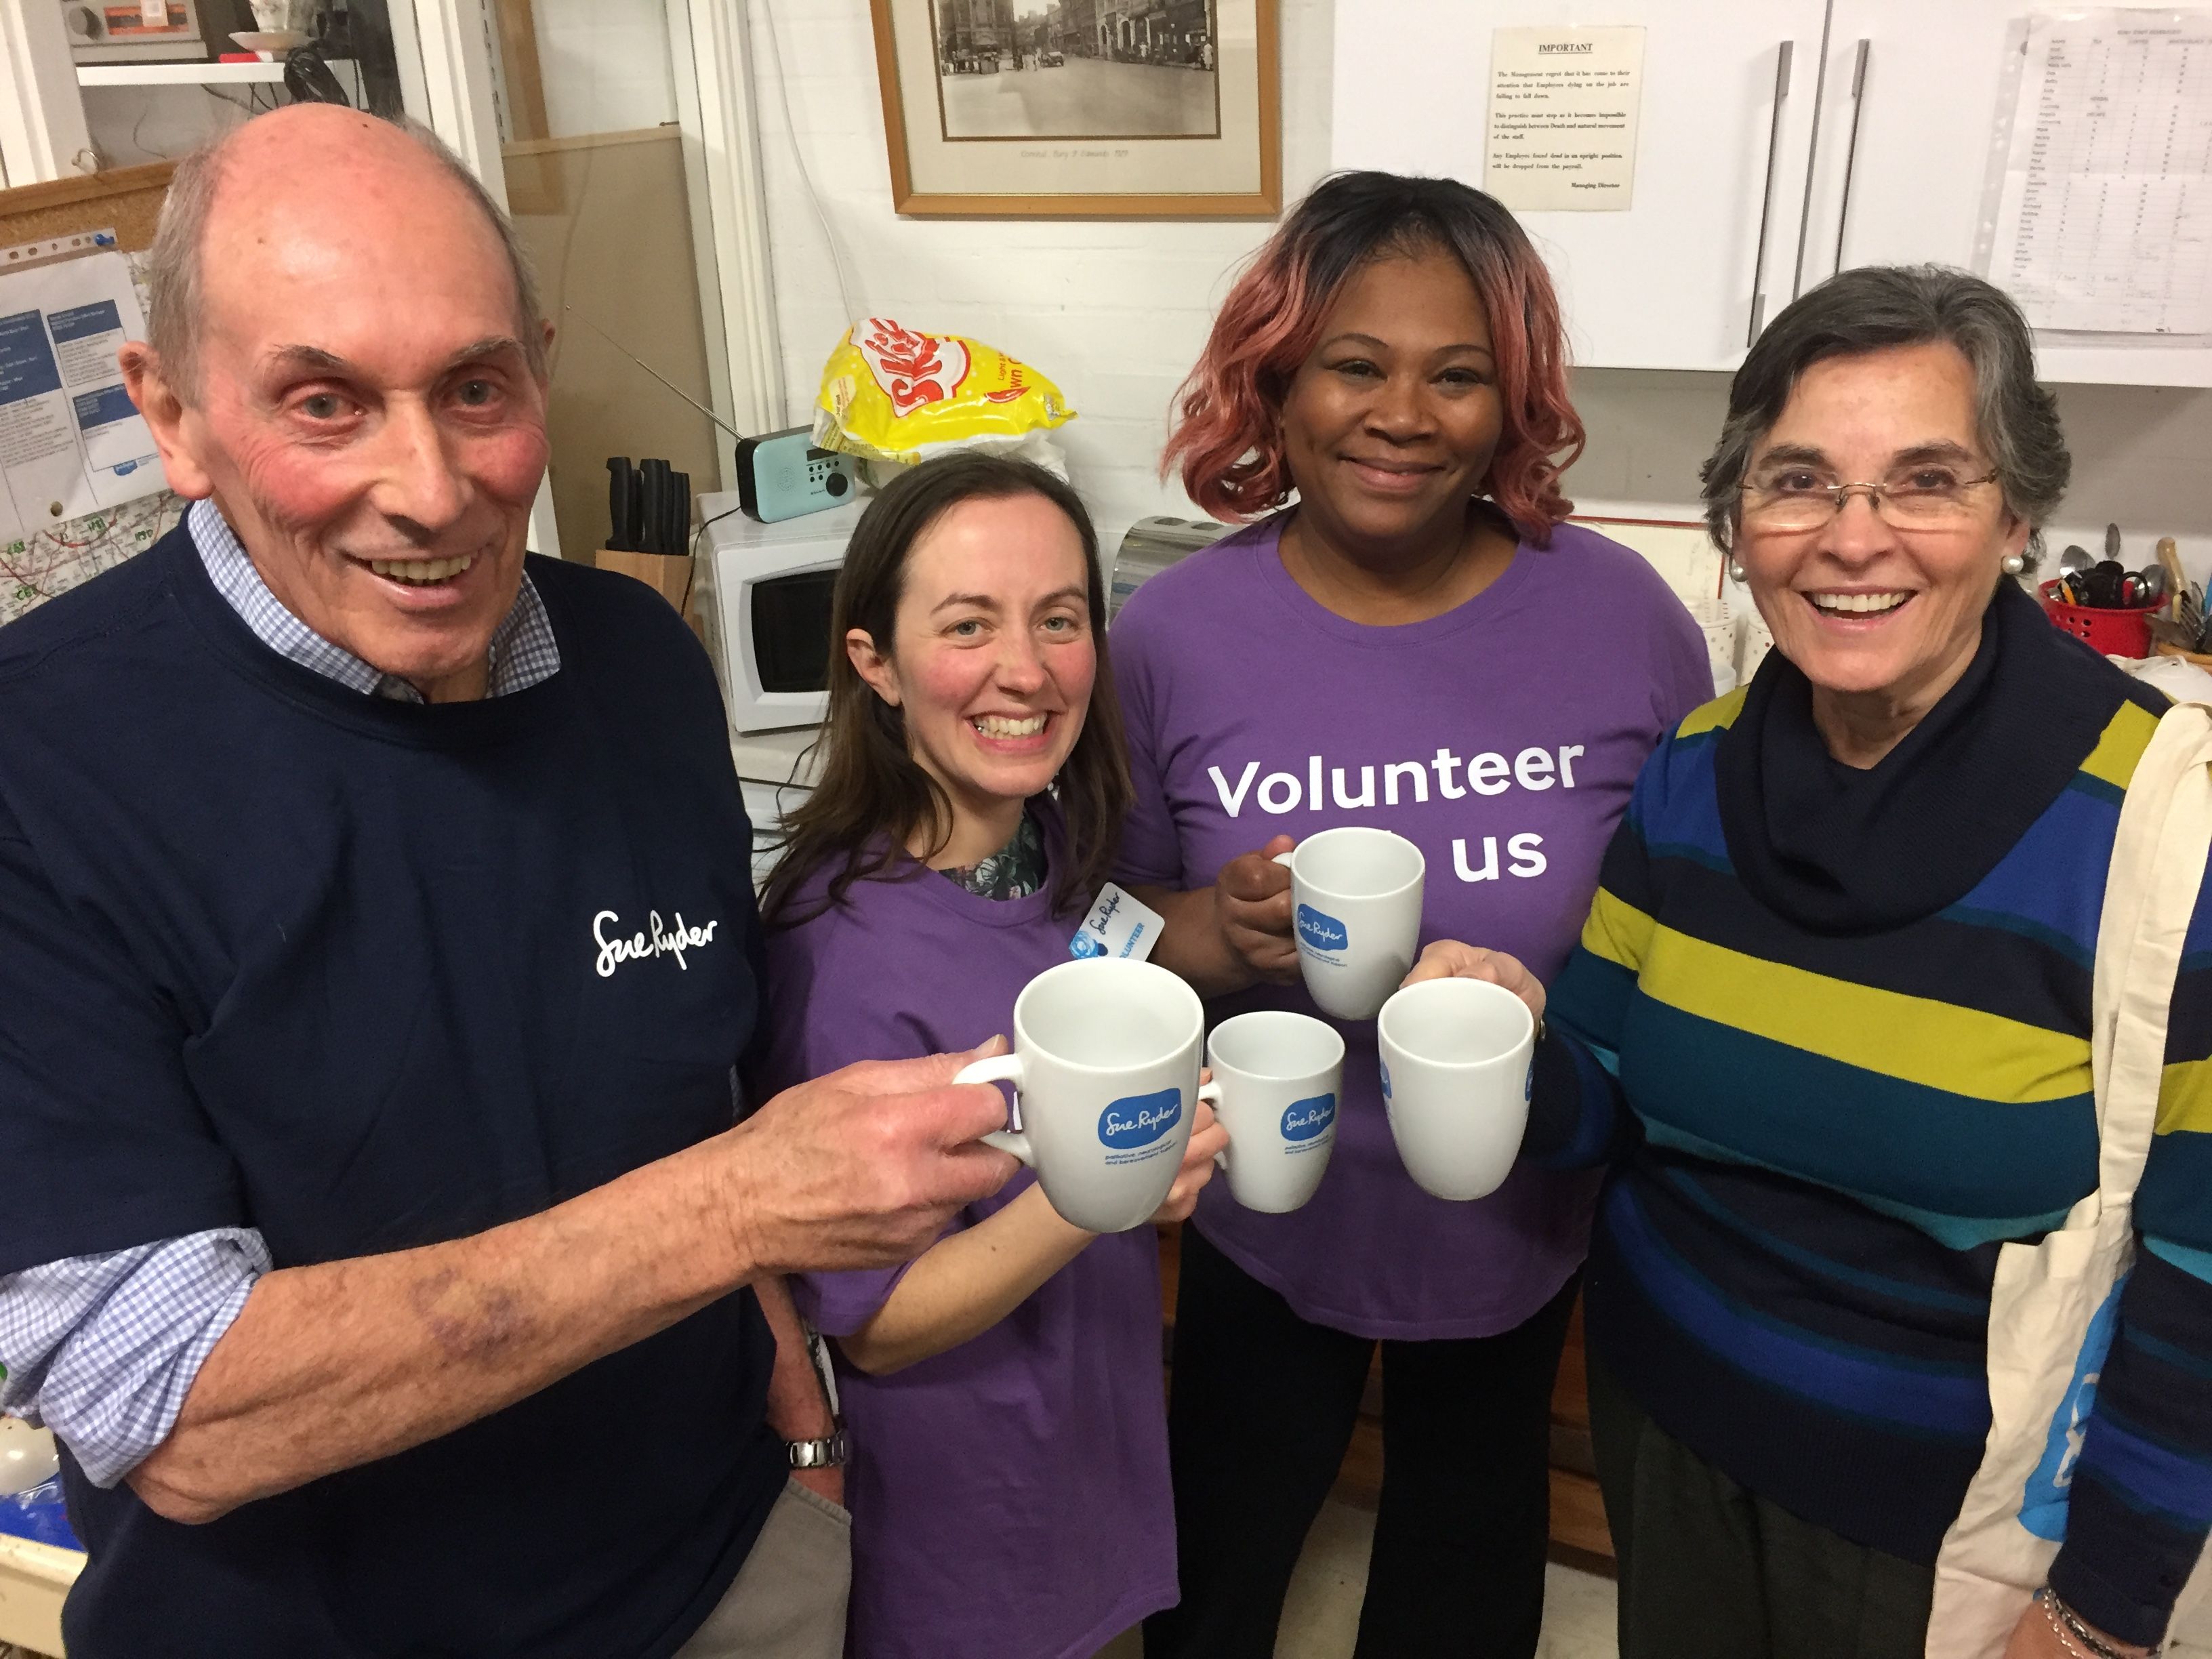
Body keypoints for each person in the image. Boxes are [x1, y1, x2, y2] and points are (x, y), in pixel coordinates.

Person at [0, 106, 1021, 1659]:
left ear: (539, 367)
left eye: (477, 390)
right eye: (325, 403)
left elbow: (698, 1081)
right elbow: (175, 1407)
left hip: (723, 1571)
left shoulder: (634, 663)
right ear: (173, 414)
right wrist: (738, 1209)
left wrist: (791, 1416)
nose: (431, 488)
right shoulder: (40, 765)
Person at [1408, 266, 2212, 1658]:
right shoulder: (1696, 769)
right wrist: (1503, 1040)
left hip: (1949, 1529)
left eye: (1924, 481)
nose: (1855, 539)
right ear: (1739, 522)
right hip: (1666, 1442)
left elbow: (2205, 1256)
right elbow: (1599, 1092)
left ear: (2015, 515)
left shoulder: (2161, 822)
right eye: (1798, 482)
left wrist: (2103, 1609)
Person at [1119, 171, 1713, 1659]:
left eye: (1458, 375)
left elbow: (1689, 928)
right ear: (1276, 385)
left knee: (1467, 1567)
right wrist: (1213, 930)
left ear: (1510, 404)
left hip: (1524, 1219)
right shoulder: (1170, 637)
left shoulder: (1624, 617)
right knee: (1215, 1572)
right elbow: (1087, 932)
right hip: (1272, 1218)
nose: (1404, 414)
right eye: (1353, 365)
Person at [758, 454, 1224, 1659]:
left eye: (1058, 620)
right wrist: (1103, 1184)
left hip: (1089, 1438)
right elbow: (875, 1323)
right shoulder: (841, 954)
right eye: (969, 625)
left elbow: (1108, 963)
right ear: (876, 662)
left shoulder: (1055, 845)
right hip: (963, 1514)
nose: (1027, 669)